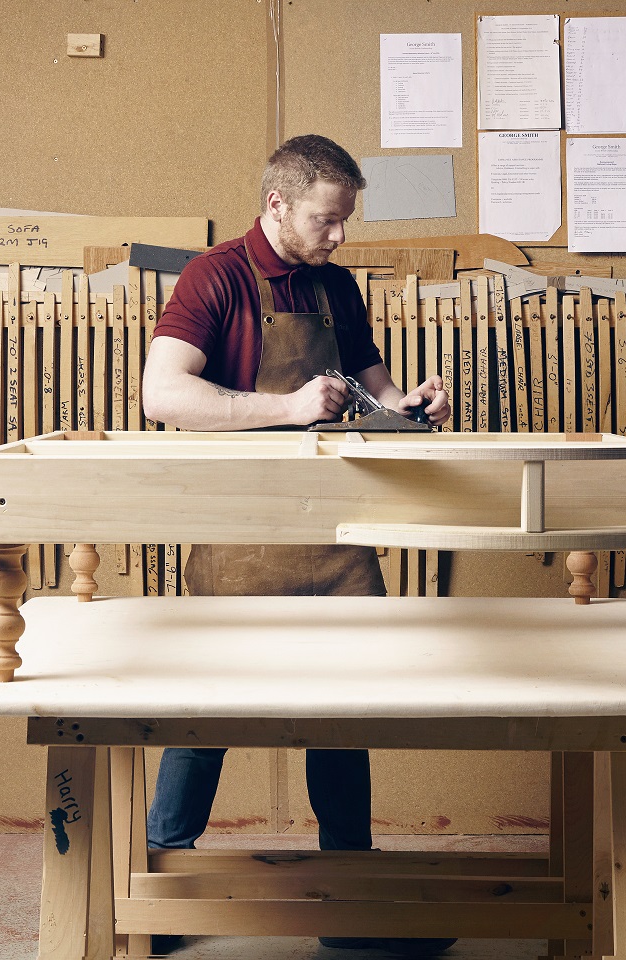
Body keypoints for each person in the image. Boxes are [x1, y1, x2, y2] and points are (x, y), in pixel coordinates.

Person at [141, 134, 455, 958]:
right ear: (277, 203)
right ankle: (156, 894)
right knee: (202, 714)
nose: (339, 236)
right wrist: (283, 409)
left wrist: (409, 405)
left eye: (346, 219)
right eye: (327, 219)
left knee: (342, 713)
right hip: (244, 531)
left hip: (335, 532)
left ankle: (350, 905)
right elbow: (161, 392)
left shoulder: (335, 285)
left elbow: (371, 383)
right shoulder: (217, 276)